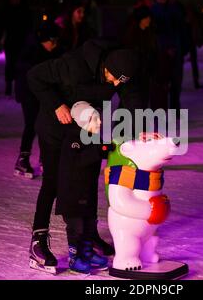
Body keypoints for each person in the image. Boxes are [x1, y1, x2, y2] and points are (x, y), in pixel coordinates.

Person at [27, 39, 143, 274]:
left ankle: (88, 237)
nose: (113, 84)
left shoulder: (120, 72)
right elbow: (34, 76)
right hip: (55, 127)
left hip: (87, 128)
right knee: (53, 183)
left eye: (118, 81)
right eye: (111, 77)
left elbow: (132, 100)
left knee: (88, 179)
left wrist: (137, 129)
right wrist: (57, 104)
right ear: (104, 67)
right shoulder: (73, 64)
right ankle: (38, 240)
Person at [13, 22, 63, 179]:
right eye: (52, 41)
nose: (54, 45)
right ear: (43, 40)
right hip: (28, 94)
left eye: (56, 41)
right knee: (32, 125)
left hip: (42, 95)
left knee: (45, 125)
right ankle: (23, 159)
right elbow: (22, 74)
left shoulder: (52, 53)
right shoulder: (30, 53)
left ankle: (45, 159)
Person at [0, 0, 31, 96]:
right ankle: (9, 87)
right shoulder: (5, 10)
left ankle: (18, 87)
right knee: (10, 64)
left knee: (21, 65)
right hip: (10, 43)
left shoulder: (25, 10)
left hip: (22, 43)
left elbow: (29, 27)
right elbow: (0, 26)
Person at [122, 5, 158, 108]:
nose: (149, 20)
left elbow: (153, 53)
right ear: (140, 19)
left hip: (145, 74)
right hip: (134, 76)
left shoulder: (150, 33)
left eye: (149, 17)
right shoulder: (131, 34)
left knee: (143, 102)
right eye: (146, 18)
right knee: (131, 103)